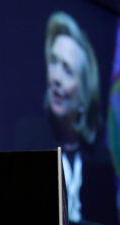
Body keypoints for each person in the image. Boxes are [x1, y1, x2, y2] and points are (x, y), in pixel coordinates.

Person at [44, 11, 118, 225]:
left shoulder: (101, 162)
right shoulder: (28, 142)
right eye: (54, 62)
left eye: (67, 70)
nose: (56, 77)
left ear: (85, 96)